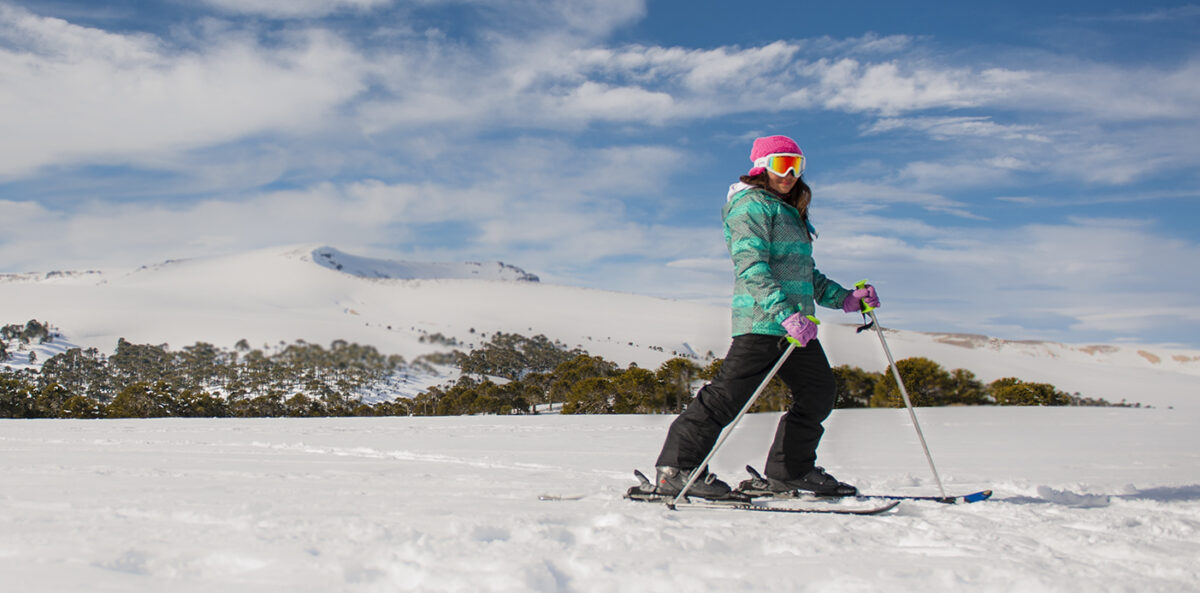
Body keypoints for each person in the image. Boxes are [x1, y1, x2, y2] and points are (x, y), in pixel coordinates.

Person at [651, 135, 880, 500]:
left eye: (796, 166)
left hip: (798, 330)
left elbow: (807, 275)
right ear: (761, 167)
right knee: (728, 396)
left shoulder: (788, 210)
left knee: (819, 393)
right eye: (781, 165)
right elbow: (751, 266)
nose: (789, 174)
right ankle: (676, 470)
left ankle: (790, 471)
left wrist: (847, 300)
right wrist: (784, 313)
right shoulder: (751, 206)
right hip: (764, 321)